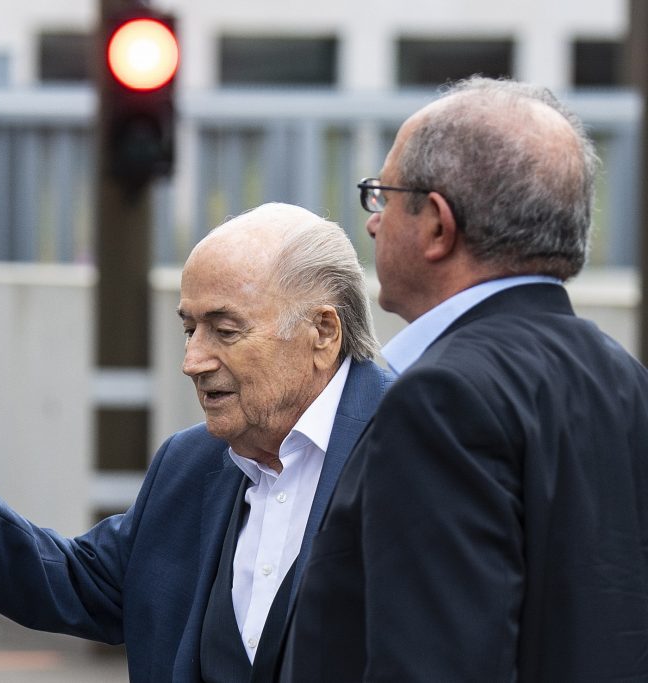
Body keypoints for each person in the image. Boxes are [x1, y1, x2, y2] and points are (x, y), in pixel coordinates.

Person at [0, 202, 393, 682]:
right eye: (190, 330)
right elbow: (78, 582)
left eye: (225, 331)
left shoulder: (411, 446)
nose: (193, 361)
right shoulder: (190, 464)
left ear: (323, 333)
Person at [278, 77, 648, 682]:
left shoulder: (442, 399)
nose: (372, 223)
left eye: (384, 196)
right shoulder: (626, 380)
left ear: (438, 226)